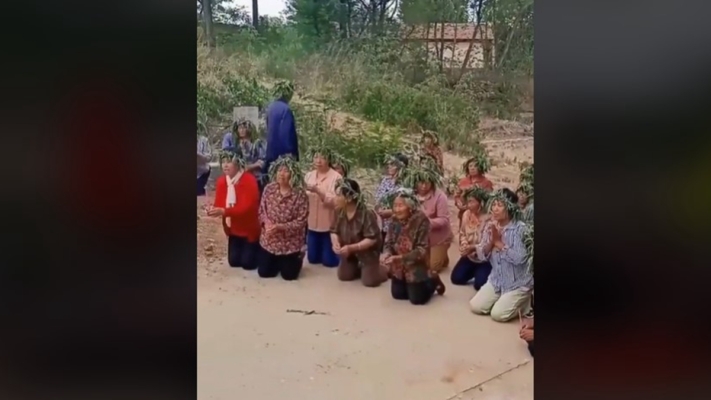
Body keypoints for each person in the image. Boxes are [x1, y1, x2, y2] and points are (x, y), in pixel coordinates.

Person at [469, 188, 533, 322]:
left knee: (498, 315)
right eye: (493, 204)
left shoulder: (520, 229)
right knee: (476, 306)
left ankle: (525, 302)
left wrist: (499, 243)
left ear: (510, 208)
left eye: (499, 205)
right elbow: (482, 255)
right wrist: (490, 243)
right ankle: (502, 298)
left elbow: (520, 258)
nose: (494, 209)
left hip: (518, 282)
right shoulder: (490, 226)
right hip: (497, 279)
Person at [381, 188, 446, 305]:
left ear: (410, 206)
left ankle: (433, 279)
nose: (396, 209)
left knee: (417, 299)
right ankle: (409, 285)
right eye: (395, 206)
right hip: (399, 266)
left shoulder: (422, 220)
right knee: (398, 295)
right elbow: (388, 242)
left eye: (400, 206)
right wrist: (386, 253)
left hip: (417, 265)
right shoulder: (393, 220)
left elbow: (421, 250)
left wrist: (401, 258)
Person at [257, 155, 309, 280]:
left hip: (290, 243)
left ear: (293, 173)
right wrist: (267, 223)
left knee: (289, 275)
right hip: (270, 241)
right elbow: (261, 211)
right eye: (280, 170)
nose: (282, 174)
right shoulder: (269, 189)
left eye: (286, 171)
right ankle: (275, 260)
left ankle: (297, 257)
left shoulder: (300, 194)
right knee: (264, 273)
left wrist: (280, 227)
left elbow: (301, 221)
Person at [207, 152, 261, 269]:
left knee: (248, 264)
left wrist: (224, 211)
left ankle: (261, 249)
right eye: (224, 162)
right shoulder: (222, 181)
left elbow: (247, 208)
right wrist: (212, 209)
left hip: (249, 229)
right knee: (234, 262)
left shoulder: (249, 180)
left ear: (238, 163)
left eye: (229, 162)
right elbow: (220, 204)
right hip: (233, 229)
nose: (225, 165)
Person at [330, 178, 387, 287]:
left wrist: (352, 248)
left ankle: (382, 269)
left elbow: (371, 239)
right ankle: (359, 268)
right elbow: (334, 231)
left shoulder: (366, 213)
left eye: (339, 195)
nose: (335, 198)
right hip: (349, 253)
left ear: (349, 198)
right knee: (344, 276)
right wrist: (335, 243)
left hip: (367, 253)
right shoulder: (338, 211)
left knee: (370, 282)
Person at [401, 162, 453, 273]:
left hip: (437, 238)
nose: (424, 186)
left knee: (430, 267)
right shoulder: (410, 195)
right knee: (407, 264)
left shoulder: (440, 196)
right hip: (417, 238)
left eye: (427, 183)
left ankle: (442, 253)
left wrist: (424, 222)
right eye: (421, 183)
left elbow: (443, 220)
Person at [304, 148, 342, 267]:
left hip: (328, 226)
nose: (318, 161)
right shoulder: (309, 175)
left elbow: (336, 202)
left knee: (329, 262)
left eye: (322, 158)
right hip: (312, 225)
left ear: (329, 160)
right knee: (313, 259)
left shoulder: (336, 177)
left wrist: (319, 192)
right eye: (316, 157)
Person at [450, 187, 493, 289]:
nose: (468, 205)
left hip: (485, 258)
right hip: (470, 255)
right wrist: (465, 245)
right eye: (467, 201)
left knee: (479, 285)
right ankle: (476, 271)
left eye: (471, 202)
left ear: (481, 203)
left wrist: (474, 248)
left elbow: (488, 242)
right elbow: (463, 233)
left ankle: (487, 271)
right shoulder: (466, 214)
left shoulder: (490, 219)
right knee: (456, 279)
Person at [222, 118, 268, 193]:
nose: (242, 130)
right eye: (240, 128)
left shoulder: (257, 143)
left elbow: (262, 162)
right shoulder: (235, 144)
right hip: (238, 176)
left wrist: (250, 167)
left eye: (244, 128)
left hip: (255, 177)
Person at [264, 80, 298, 175]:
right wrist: (290, 153)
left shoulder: (271, 108)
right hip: (283, 154)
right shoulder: (286, 109)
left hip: (271, 151)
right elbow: (286, 132)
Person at [374, 153, 408, 244]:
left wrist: (390, 212)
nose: (389, 166)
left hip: (397, 225)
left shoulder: (405, 184)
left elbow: (408, 206)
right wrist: (379, 209)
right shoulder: (385, 180)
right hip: (381, 223)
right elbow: (377, 197)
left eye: (392, 164)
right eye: (389, 164)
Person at [454, 152, 494, 227]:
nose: (472, 168)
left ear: (480, 167)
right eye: (470, 166)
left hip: (480, 216)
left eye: (475, 166)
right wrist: (459, 204)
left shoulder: (486, 183)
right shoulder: (463, 181)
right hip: (463, 214)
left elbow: (489, 200)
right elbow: (457, 195)